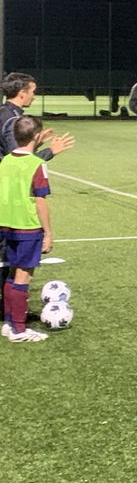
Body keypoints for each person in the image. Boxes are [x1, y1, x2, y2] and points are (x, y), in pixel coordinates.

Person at [0, 116, 54, 342]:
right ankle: (19, 330)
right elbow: (40, 201)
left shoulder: (6, 161)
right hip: (27, 226)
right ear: (36, 136)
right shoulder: (37, 165)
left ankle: (9, 321)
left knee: (12, 274)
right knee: (23, 276)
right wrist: (48, 232)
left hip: (6, 224)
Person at [0, 73, 75, 162]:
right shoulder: (13, 120)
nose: (34, 96)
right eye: (33, 92)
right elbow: (18, 161)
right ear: (22, 93)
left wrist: (33, 144)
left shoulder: (4, 112)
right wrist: (51, 151)